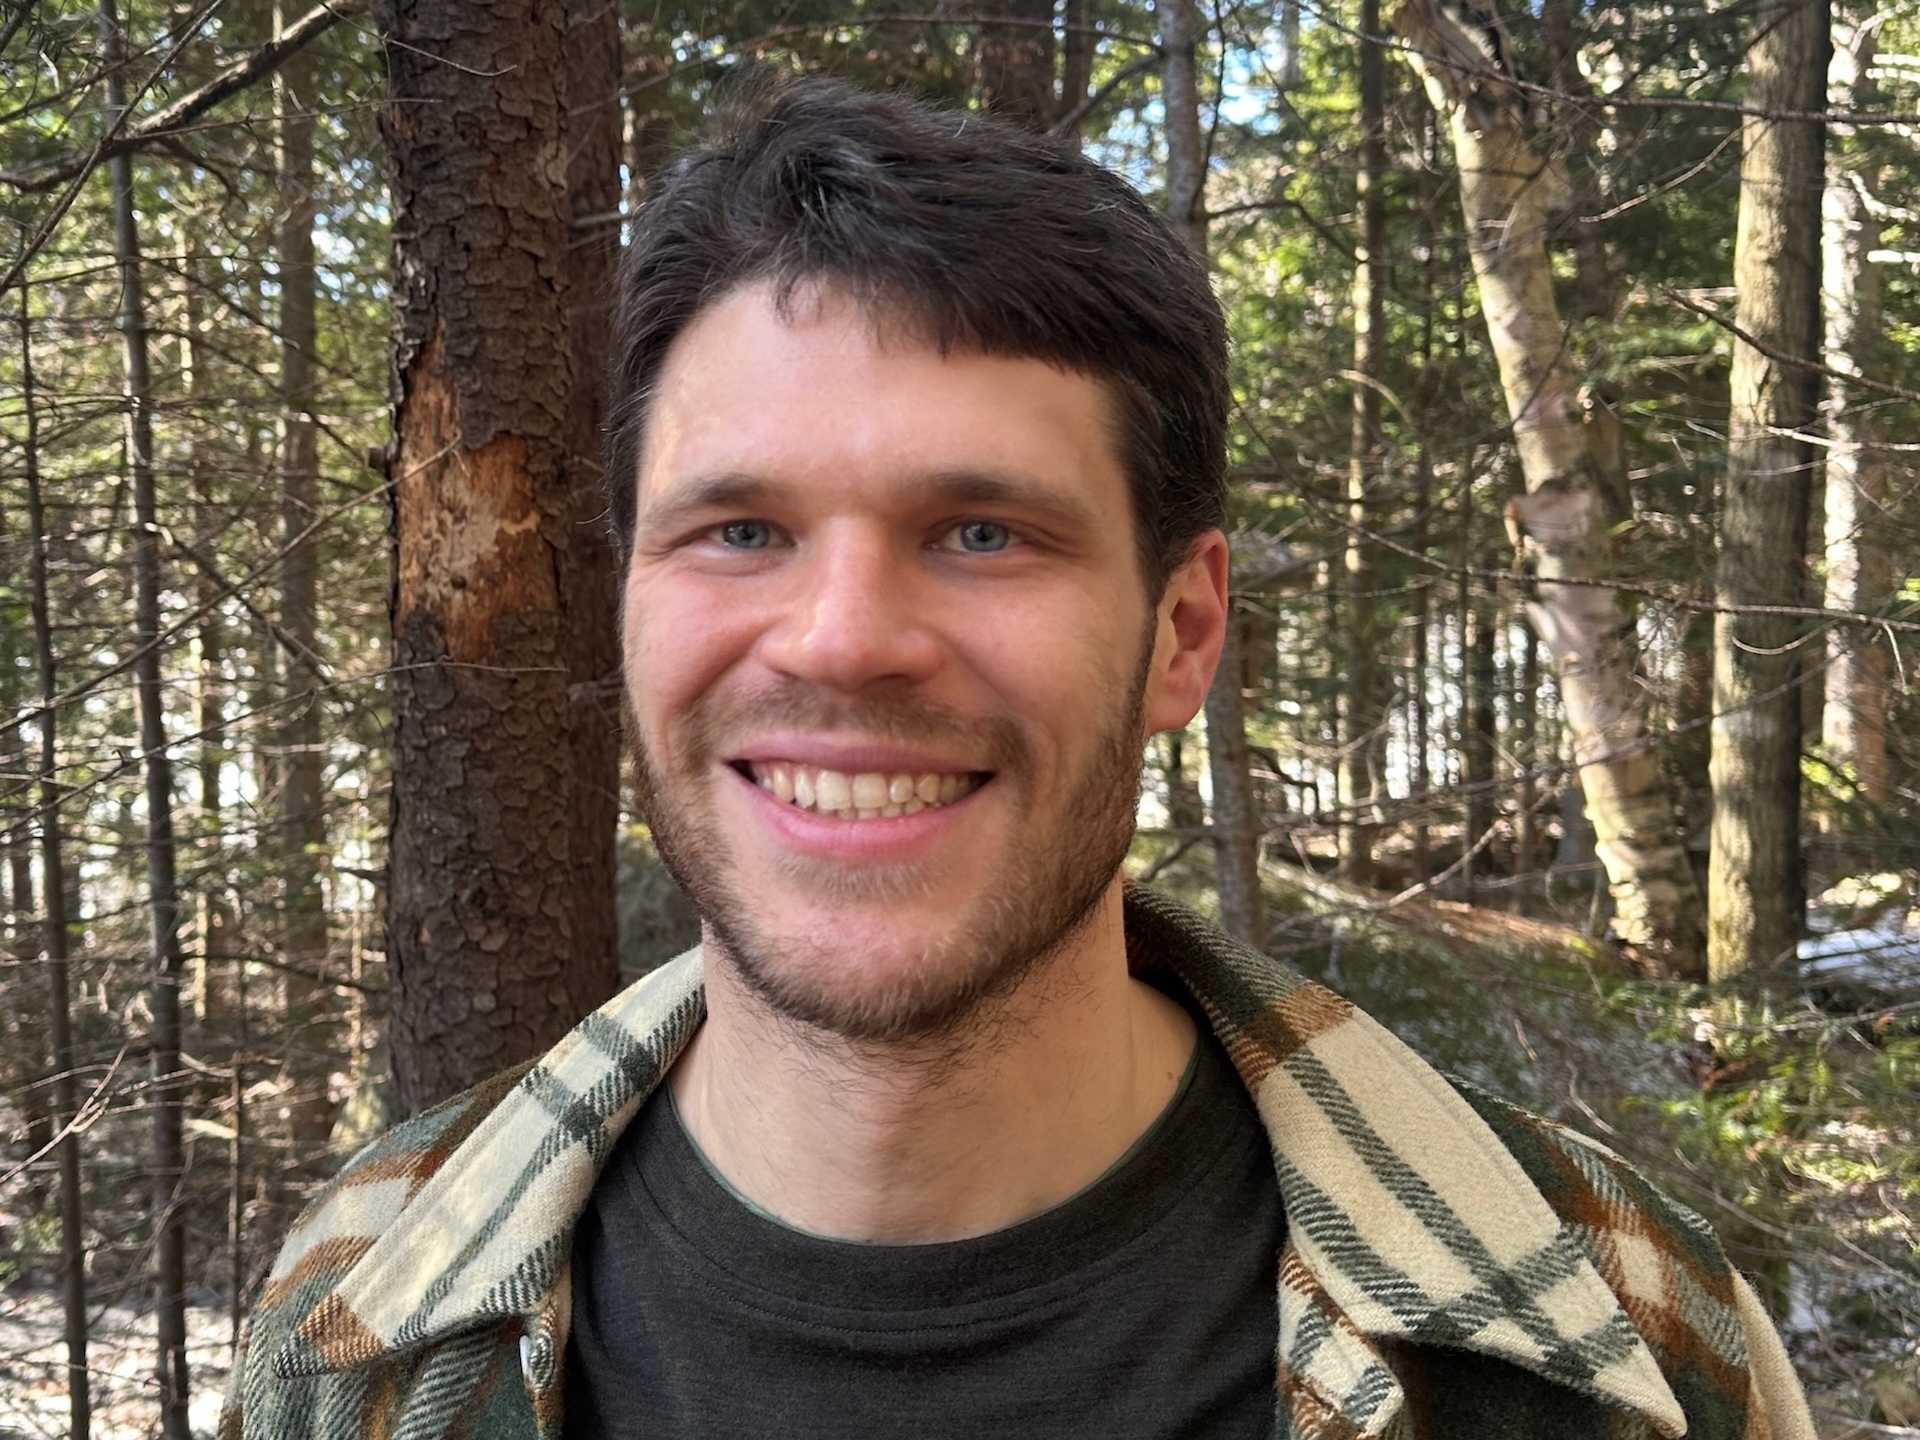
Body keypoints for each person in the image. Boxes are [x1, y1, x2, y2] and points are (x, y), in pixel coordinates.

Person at [223, 78, 1814, 1440]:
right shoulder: (355, 1327)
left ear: (1182, 633)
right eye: (740, 531)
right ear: (630, 604)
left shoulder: (1627, 1345)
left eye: (983, 532)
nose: (842, 638)